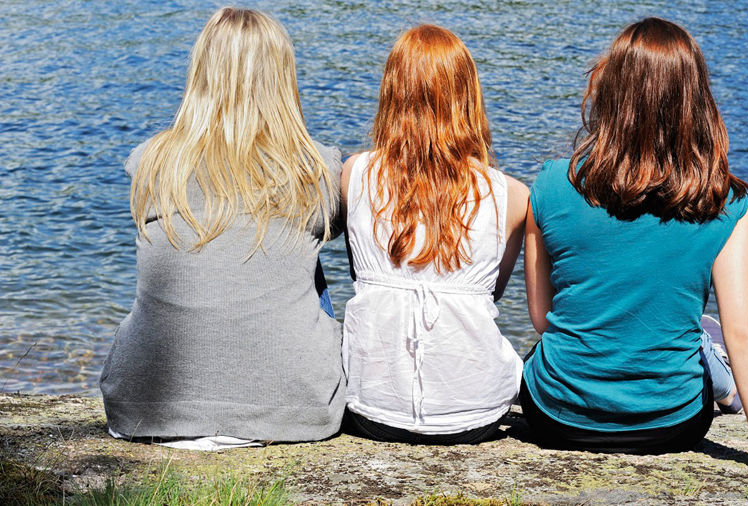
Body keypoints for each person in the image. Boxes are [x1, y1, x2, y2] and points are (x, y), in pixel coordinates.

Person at [522, 18, 748, 481]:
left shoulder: (552, 184)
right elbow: (744, 330)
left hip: (557, 417)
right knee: (707, 334)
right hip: (670, 424)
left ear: (610, 90)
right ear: (695, 100)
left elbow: (543, 318)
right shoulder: (727, 203)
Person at [100, 7, 345, 449]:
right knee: (305, 261)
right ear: (281, 80)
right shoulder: (317, 168)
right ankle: (267, 378)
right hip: (297, 412)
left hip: (143, 410)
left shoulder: (149, 162)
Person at [340, 25, 528, 444]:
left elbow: (358, 276)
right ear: (468, 97)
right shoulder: (513, 196)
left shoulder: (354, 175)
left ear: (392, 93)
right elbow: (491, 295)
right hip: (477, 412)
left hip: (372, 409)